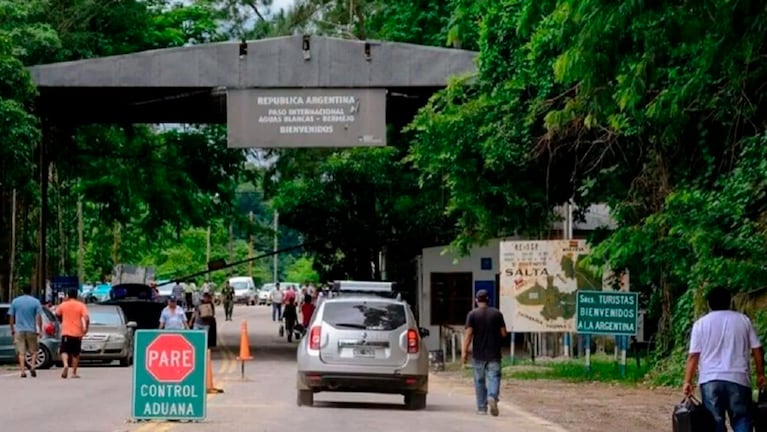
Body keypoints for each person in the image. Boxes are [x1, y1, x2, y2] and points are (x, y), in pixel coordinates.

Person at [683, 286, 766, 432]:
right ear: (729, 302)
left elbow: (693, 356)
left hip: (710, 381)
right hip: (738, 379)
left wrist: (687, 381)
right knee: (742, 419)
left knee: (715, 423)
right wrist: (760, 374)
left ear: (709, 304)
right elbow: (757, 350)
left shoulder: (700, 324)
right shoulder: (743, 320)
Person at [461, 289, 507, 417]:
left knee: (479, 381)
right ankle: (492, 396)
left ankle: (481, 407)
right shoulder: (497, 314)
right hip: (494, 354)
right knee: (494, 378)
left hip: (478, 355)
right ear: (488, 300)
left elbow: (468, 334)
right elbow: (503, 333)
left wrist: (464, 352)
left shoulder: (472, 315)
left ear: (476, 300)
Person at [7, 285, 44, 378]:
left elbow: (11, 316)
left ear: (22, 291)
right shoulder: (36, 302)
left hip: (19, 330)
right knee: (34, 351)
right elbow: (39, 317)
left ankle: (23, 371)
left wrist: (12, 329)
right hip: (31, 329)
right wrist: (40, 329)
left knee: (21, 352)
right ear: (31, 291)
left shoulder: (15, 301)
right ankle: (32, 366)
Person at [55, 288, 90, 379]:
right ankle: (74, 372)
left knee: (64, 350)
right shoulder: (81, 305)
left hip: (66, 331)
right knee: (75, 353)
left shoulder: (63, 305)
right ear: (76, 296)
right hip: (77, 332)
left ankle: (65, 364)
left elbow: (57, 314)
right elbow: (86, 318)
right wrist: (86, 328)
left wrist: (62, 320)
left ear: (68, 295)